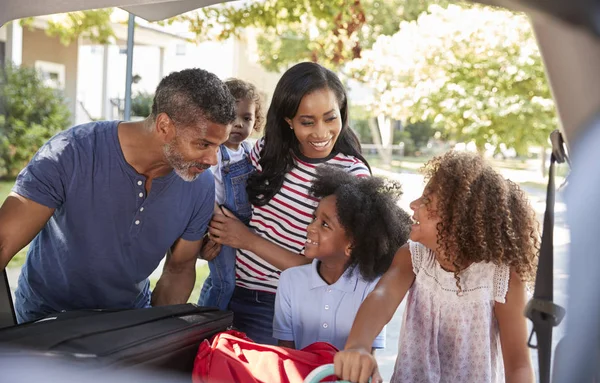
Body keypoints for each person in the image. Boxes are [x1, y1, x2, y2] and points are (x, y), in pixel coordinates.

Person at [0, 68, 236, 323]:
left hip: (126, 324)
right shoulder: (71, 152)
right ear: (164, 126)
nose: (213, 160)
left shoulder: (200, 184)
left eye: (218, 146)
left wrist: (153, 332)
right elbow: (4, 240)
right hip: (45, 319)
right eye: (203, 144)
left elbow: (179, 269)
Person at [333, 151, 539, 383]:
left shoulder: (501, 278)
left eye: (427, 201)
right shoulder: (413, 256)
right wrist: (358, 345)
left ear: (459, 221)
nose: (414, 205)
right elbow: (382, 296)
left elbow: (519, 367)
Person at [207, 62, 370, 344]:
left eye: (331, 118)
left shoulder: (352, 177)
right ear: (288, 120)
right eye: (307, 122)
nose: (321, 133)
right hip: (227, 292)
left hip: (280, 306)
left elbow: (324, 269)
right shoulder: (265, 152)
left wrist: (247, 240)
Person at [273, 165, 412, 351]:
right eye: (314, 218)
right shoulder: (290, 280)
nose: (310, 228)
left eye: (324, 224)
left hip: (346, 381)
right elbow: (285, 352)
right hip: (299, 378)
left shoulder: (372, 289)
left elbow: (366, 358)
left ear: (351, 244)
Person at [198, 78, 264, 310]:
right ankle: (209, 323)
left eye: (246, 118)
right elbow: (204, 192)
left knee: (224, 278)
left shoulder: (251, 151)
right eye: (231, 116)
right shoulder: (214, 153)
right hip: (222, 226)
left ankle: (205, 312)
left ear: (256, 121)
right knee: (225, 282)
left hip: (245, 228)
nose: (238, 124)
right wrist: (220, 222)